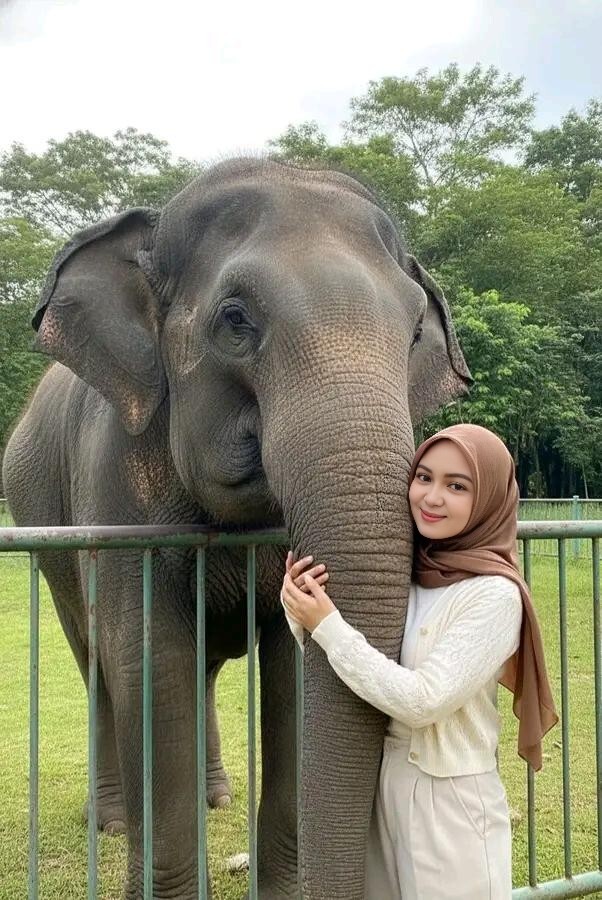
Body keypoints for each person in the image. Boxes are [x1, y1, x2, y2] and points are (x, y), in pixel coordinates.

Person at [281, 424, 558, 900]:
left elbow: (423, 700)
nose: (431, 497)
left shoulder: (495, 595)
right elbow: (358, 668)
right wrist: (301, 608)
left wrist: (327, 625)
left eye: (457, 486)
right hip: (385, 785)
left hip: (451, 804)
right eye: (424, 477)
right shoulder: (411, 575)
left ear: (489, 498)